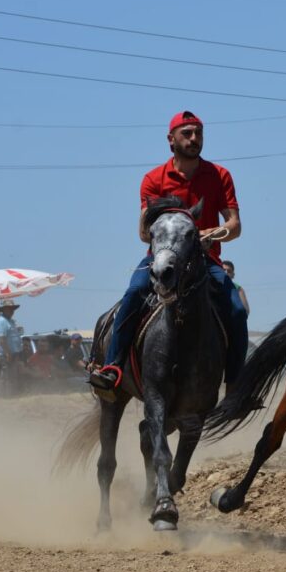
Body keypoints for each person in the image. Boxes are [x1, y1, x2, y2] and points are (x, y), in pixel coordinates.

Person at [89, 111, 247, 392]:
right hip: (160, 258)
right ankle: (112, 366)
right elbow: (142, 234)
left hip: (205, 261)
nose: (194, 139)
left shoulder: (220, 175)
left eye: (198, 133)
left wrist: (205, 235)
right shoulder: (153, 179)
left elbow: (234, 226)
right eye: (187, 133)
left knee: (235, 309)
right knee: (134, 293)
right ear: (170, 139)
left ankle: (235, 385)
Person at [0, 300, 24, 394]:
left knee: (12, 375)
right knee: (7, 375)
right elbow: (1, 338)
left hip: (13, 353)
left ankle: (11, 394)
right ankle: (3, 394)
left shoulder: (10, 321)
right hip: (6, 354)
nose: (12, 311)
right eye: (9, 308)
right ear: (4, 309)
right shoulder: (2, 321)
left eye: (12, 308)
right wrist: (8, 352)